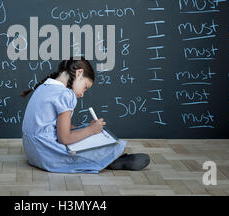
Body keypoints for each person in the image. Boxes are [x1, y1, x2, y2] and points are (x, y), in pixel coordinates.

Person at [20, 57, 150, 174]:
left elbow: (47, 124)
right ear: (79, 73)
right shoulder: (66, 95)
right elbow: (64, 139)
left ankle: (109, 158)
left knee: (83, 130)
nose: (82, 94)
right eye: (85, 87)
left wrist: (82, 129)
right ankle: (114, 158)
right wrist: (91, 130)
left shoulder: (43, 87)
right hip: (49, 155)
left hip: (33, 154)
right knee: (105, 141)